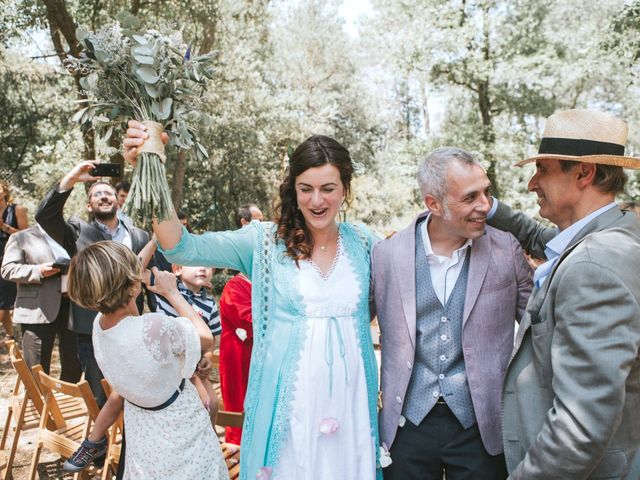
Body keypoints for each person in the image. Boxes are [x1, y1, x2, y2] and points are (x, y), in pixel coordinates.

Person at [124, 122, 382, 480]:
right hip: (290, 411)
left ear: (345, 189)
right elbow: (181, 245)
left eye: (328, 189)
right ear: (293, 189)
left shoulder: (366, 243)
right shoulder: (263, 242)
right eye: (305, 189)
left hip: (351, 407)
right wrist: (151, 167)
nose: (316, 201)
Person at [487, 109, 640, 478]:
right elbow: (546, 240)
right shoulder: (620, 233)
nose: (531, 183)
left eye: (544, 170)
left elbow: (581, 426)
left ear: (584, 173)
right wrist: (488, 208)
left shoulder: (593, 265)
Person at [372, 147, 532, 479]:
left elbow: (540, 328)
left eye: (487, 192)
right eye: (471, 197)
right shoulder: (386, 255)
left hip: (482, 427)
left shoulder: (507, 250)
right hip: (407, 425)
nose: (485, 206)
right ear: (434, 204)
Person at [65, 241, 227, 479]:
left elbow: (122, 275)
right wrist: (171, 292)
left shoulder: (99, 324)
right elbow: (205, 339)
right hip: (180, 431)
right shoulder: (153, 327)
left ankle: (93, 441)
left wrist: (153, 240)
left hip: (142, 430)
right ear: (132, 284)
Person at [35, 162, 153, 405]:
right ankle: (101, 441)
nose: (103, 196)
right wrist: (72, 179)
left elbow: (150, 285)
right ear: (89, 205)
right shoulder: (77, 232)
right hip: (91, 331)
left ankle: (127, 443)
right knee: (101, 398)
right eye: (96, 194)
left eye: (108, 192)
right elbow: (44, 215)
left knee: (135, 393)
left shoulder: (140, 236)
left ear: (118, 201)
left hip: (132, 328)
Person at [1, 224, 82, 381]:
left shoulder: (71, 235)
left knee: (74, 364)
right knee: (36, 369)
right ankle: (38, 404)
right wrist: (39, 271)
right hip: (37, 309)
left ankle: (64, 401)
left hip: (72, 307)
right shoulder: (21, 237)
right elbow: (7, 269)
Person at [218, 207, 262, 446]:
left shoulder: (260, 286)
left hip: (257, 359)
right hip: (240, 359)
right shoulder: (235, 287)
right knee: (240, 408)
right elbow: (250, 321)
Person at [0, 180, 28, 344]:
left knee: (3, 308)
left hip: (9, 261)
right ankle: (11, 336)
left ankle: (11, 335)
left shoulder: (16, 210)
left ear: (4, 191)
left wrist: (4, 227)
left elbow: (26, 235)